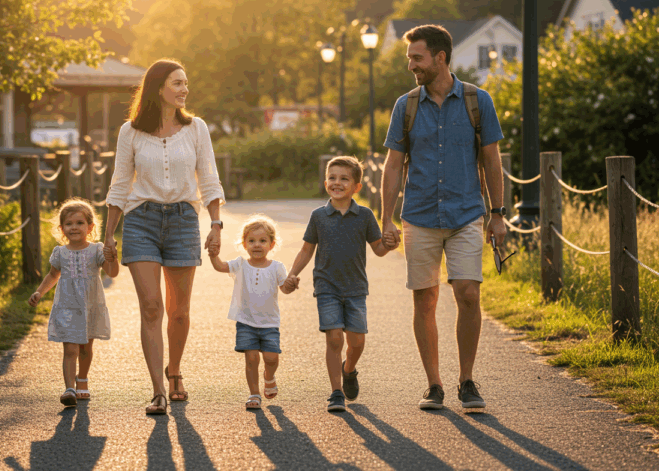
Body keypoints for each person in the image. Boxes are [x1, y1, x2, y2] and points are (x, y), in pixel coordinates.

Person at [380, 24, 506, 410]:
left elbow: (491, 160)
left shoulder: (476, 100)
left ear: (440, 58)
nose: (411, 66)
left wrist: (497, 215)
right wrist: (387, 219)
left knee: (468, 293)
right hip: (418, 216)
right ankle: (434, 385)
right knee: (426, 300)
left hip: (466, 213)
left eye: (417, 58)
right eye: (409, 59)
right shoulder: (406, 105)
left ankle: (466, 380)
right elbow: (393, 165)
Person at [103, 59, 225, 415]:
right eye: (177, 83)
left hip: (184, 220)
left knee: (180, 312)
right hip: (141, 220)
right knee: (152, 307)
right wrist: (108, 234)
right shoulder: (131, 131)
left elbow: (210, 178)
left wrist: (216, 224)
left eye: (186, 83)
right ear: (159, 88)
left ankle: (175, 373)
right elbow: (120, 183)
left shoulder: (196, 128)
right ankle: (157, 390)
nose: (185, 89)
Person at [285, 156, 391, 412]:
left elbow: (378, 249)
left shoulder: (365, 215)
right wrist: (293, 274)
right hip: (326, 287)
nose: (337, 182)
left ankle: (349, 369)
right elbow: (306, 250)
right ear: (325, 183)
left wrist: (389, 244)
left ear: (356, 186)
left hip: (355, 288)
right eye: (332, 178)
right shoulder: (318, 216)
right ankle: (336, 392)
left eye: (344, 178)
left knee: (357, 342)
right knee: (334, 339)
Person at [28, 198, 119, 407]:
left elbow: (112, 273)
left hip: (89, 306)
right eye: (69, 224)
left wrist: (112, 257)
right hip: (68, 306)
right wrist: (39, 292)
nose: (74, 227)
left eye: (79, 223)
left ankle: (82, 379)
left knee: (86, 348)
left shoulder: (96, 250)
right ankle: (69, 388)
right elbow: (52, 275)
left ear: (90, 227)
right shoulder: (60, 253)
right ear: (62, 229)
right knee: (70, 349)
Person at [208, 215, 290, 410]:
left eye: (262, 241)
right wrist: (213, 255)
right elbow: (220, 266)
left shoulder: (277, 267)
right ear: (244, 244)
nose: (257, 245)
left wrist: (291, 284)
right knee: (251, 359)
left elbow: (285, 288)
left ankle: (269, 377)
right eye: (251, 241)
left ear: (271, 244)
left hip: (270, 323)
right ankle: (254, 393)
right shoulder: (240, 264)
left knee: (271, 358)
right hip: (246, 322)